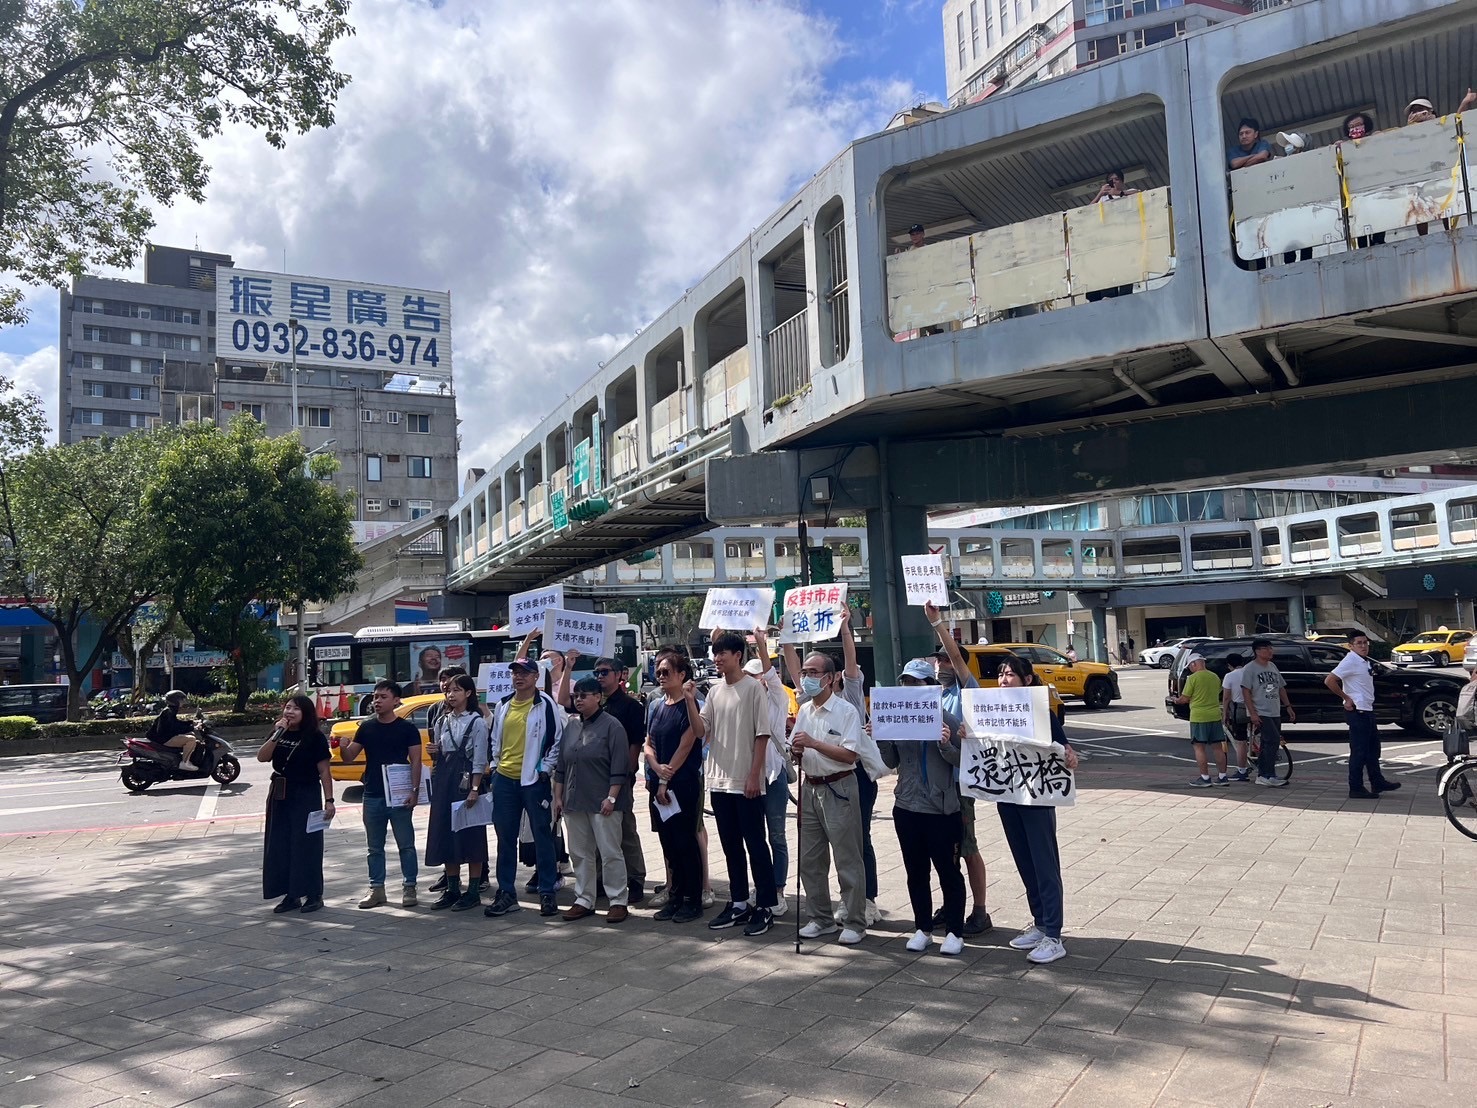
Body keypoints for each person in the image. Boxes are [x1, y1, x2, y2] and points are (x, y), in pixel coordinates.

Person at [995, 653, 1077, 965]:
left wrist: (1071, 759)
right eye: (1002, 674)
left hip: (1037, 797)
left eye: (1011, 674)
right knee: (1024, 861)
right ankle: (1040, 923)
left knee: (1044, 863)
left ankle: (1054, 935)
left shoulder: (1042, 712)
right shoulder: (992, 713)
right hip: (1008, 797)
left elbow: (1065, 752)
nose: (1004, 679)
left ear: (1027, 680)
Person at [879, 658, 965, 956]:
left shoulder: (949, 720)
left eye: (917, 682)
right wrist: (881, 738)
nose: (911, 687)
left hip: (942, 809)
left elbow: (963, 763)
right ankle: (923, 928)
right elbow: (891, 762)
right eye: (906, 682)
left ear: (931, 687)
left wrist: (945, 744)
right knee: (915, 872)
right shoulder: (896, 717)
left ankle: (955, 931)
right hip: (906, 806)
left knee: (948, 871)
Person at [701, 630, 778, 937]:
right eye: (715, 652)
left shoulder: (753, 689)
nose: (718, 658)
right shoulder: (713, 691)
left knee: (756, 844)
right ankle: (739, 901)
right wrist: (691, 703)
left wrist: (754, 774)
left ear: (738, 656)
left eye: (723, 653)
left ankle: (766, 906)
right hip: (719, 781)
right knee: (731, 845)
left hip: (745, 781)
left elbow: (762, 734)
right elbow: (701, 730)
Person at [924, 601, 992, 936]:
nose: (940, 664)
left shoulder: (967, 691)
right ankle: (952, 904)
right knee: (943, 852)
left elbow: (960, 664)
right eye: (937, 659)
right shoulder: (933, 694)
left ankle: (980, 910)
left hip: (960, 785)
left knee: (968, 848)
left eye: (945, 659)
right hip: (935, 787)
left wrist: (938, 624)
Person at [792, 652, 868, 946]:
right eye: (804, 673)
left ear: (830, 678)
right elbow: (797, 746)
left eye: (813, 673)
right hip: (810, 787)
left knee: (847, 857)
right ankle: (820, 918)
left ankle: (854, 921)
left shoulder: (846, 711)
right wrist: (797, 751)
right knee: (810, 860)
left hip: (839, 788)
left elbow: (850, 754)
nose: (807, 678)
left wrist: (813, 743)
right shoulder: (804, 711)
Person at [486, 657, 565, 918]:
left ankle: (547, 892)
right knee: (505, 837)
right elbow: (495, 738)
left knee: (542, 835)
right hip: (505, 779)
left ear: (535, 677)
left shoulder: (545, 704)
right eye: (515, 673)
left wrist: (545, 769)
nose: (518, 677)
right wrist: (496, 767)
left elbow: (556, 740)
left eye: (524, 673)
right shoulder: (503, 705)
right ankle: (507, 892)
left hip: (533, 780)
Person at [553, 677, 631, 923]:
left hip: (603, 801)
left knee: (610, 852)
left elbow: (620, 766)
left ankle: (618, 900)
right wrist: (558, 796)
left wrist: (611, 797)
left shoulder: (612, 726)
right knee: (579, 853)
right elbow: (562, 765)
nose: (578, 700)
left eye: (584, 695)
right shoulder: (572, 726)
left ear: (598, 697)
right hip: (574, 800)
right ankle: (584, 899)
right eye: (576, 696)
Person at [340, 679, 421, 908]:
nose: (377, 701)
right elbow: (349, 757)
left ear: (396, 701)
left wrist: (414, 791)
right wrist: (342, 746)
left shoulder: (407, 728)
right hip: (373, 794)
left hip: (398, 795)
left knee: (406, 844)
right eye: (375, 697)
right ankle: (377, 890)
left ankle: (410, 887)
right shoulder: (366, 727)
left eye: (383, 697)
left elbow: (416, 761)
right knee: (374, 847)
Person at [644, 653, 706, 922]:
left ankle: (693, 899)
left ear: (682, 675)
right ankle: (676, 896)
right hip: (659, 784)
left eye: (667, 671)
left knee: (685, 842)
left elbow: (686, 744)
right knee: (668, 843)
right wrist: (656, 768)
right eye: (658, 671)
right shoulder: (658, 706)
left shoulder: (689, 707)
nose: (661, 676)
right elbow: (648, 742)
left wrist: (665, 779)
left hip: (681, 785)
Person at [258, 694, 333, 914]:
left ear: (306, 714)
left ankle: (313, 893)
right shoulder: (278, 732)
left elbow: (324, 771)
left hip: (306, 792)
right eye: (288, 707)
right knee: (280, 843)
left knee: (306, 843)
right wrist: (276, 734)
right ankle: (290, 895)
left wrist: (329, 800)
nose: (290, 712)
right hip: (280, 792)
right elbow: (262, 758)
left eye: (296, 709)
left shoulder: (315, 738)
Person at [425, 674, 490, 911]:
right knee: (445, 833)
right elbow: (441, 753)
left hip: (466, 783)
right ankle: (452, 888)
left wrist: (474, 789)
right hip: (445, 782)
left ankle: (473, 891)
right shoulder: (442, 721)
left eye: (457, 690)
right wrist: (435, 750)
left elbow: (480, 759)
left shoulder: (477, 722)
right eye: (449, 691)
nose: (451, 695)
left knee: (471, 836)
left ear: (469, 693)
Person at [591, 656, 648, 904]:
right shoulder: (592, 704)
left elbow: (636, 742)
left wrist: (628, 770)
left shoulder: (631, 706)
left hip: (619, 776)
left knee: (625, 829)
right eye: (597, 673)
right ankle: (600, 878)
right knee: (595, 830)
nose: (600, 677)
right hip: (594, 776)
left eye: (604, 672)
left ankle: (635, 879)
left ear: (618, 675)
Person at [746, 634, 793, 919]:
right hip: (750, 777)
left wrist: (762, 646)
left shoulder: (776, 698)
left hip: (773, 777)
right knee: (754, 836)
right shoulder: (744, 701)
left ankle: (777, 888)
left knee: (777, 836)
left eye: (757, 676)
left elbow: (772, 675)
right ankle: (761, 885)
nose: (754, 681)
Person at [1325, 633, 1400, 800]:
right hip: (1358, 710)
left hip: (1367, 709)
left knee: (1373, 749)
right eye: (1359, 643)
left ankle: (1377, 781)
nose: (1363, 646)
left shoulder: (1363, 661)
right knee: (1359, 751)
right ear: (1351, 646)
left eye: (1366, 643)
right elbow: (1330, 680)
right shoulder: (1350, 660)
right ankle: (1356, 787)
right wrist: (1346, 698)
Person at [1241, 639, 1295, 787]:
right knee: (1271, 741)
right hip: (1261, 710)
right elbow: (1246, 691)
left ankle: (1267, 774)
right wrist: (1252, 713)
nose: (1270, 651)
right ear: (1257, 651)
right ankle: (1266, 774)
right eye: (1266, 649)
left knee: (1271, 743)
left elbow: (1281, 687)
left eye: (1271, 648)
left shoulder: (1272, 666)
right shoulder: (1250, 668)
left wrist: (1288, 706)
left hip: (1274, 710)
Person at [1176, 653, 1228, 788]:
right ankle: (1222, 776)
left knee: (1199, 747)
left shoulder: (1193, 678)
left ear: (1194, 664)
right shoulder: (1214, 677)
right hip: (1215, 715)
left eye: (1190, 666)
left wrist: (1176, 700)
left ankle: (1205, 777)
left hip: (1199, 716)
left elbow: (1185, 698)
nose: (1190, 669)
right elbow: (1217, 692)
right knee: (1217, 747)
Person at [1220, 653, 1252, 782]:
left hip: (1239, 709)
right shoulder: (1249, 672)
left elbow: (1227, 697)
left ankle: (1242, 770)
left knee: (1241, 741)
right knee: (1257, 736)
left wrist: (1225, 713)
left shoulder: (1229, 676)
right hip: (1255, 708)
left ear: (1229, 665)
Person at [148, 689, 199, 768]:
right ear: (175, 701)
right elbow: (175, 727)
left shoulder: (170, 710)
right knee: (191, 739)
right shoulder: (169, 711)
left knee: (191, 735)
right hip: (164, 739)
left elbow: (176, 723)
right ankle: (185, 763)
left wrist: (190, 723)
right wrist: (192, 727)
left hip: (164, 736)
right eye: (181, 700)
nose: (183, 702)